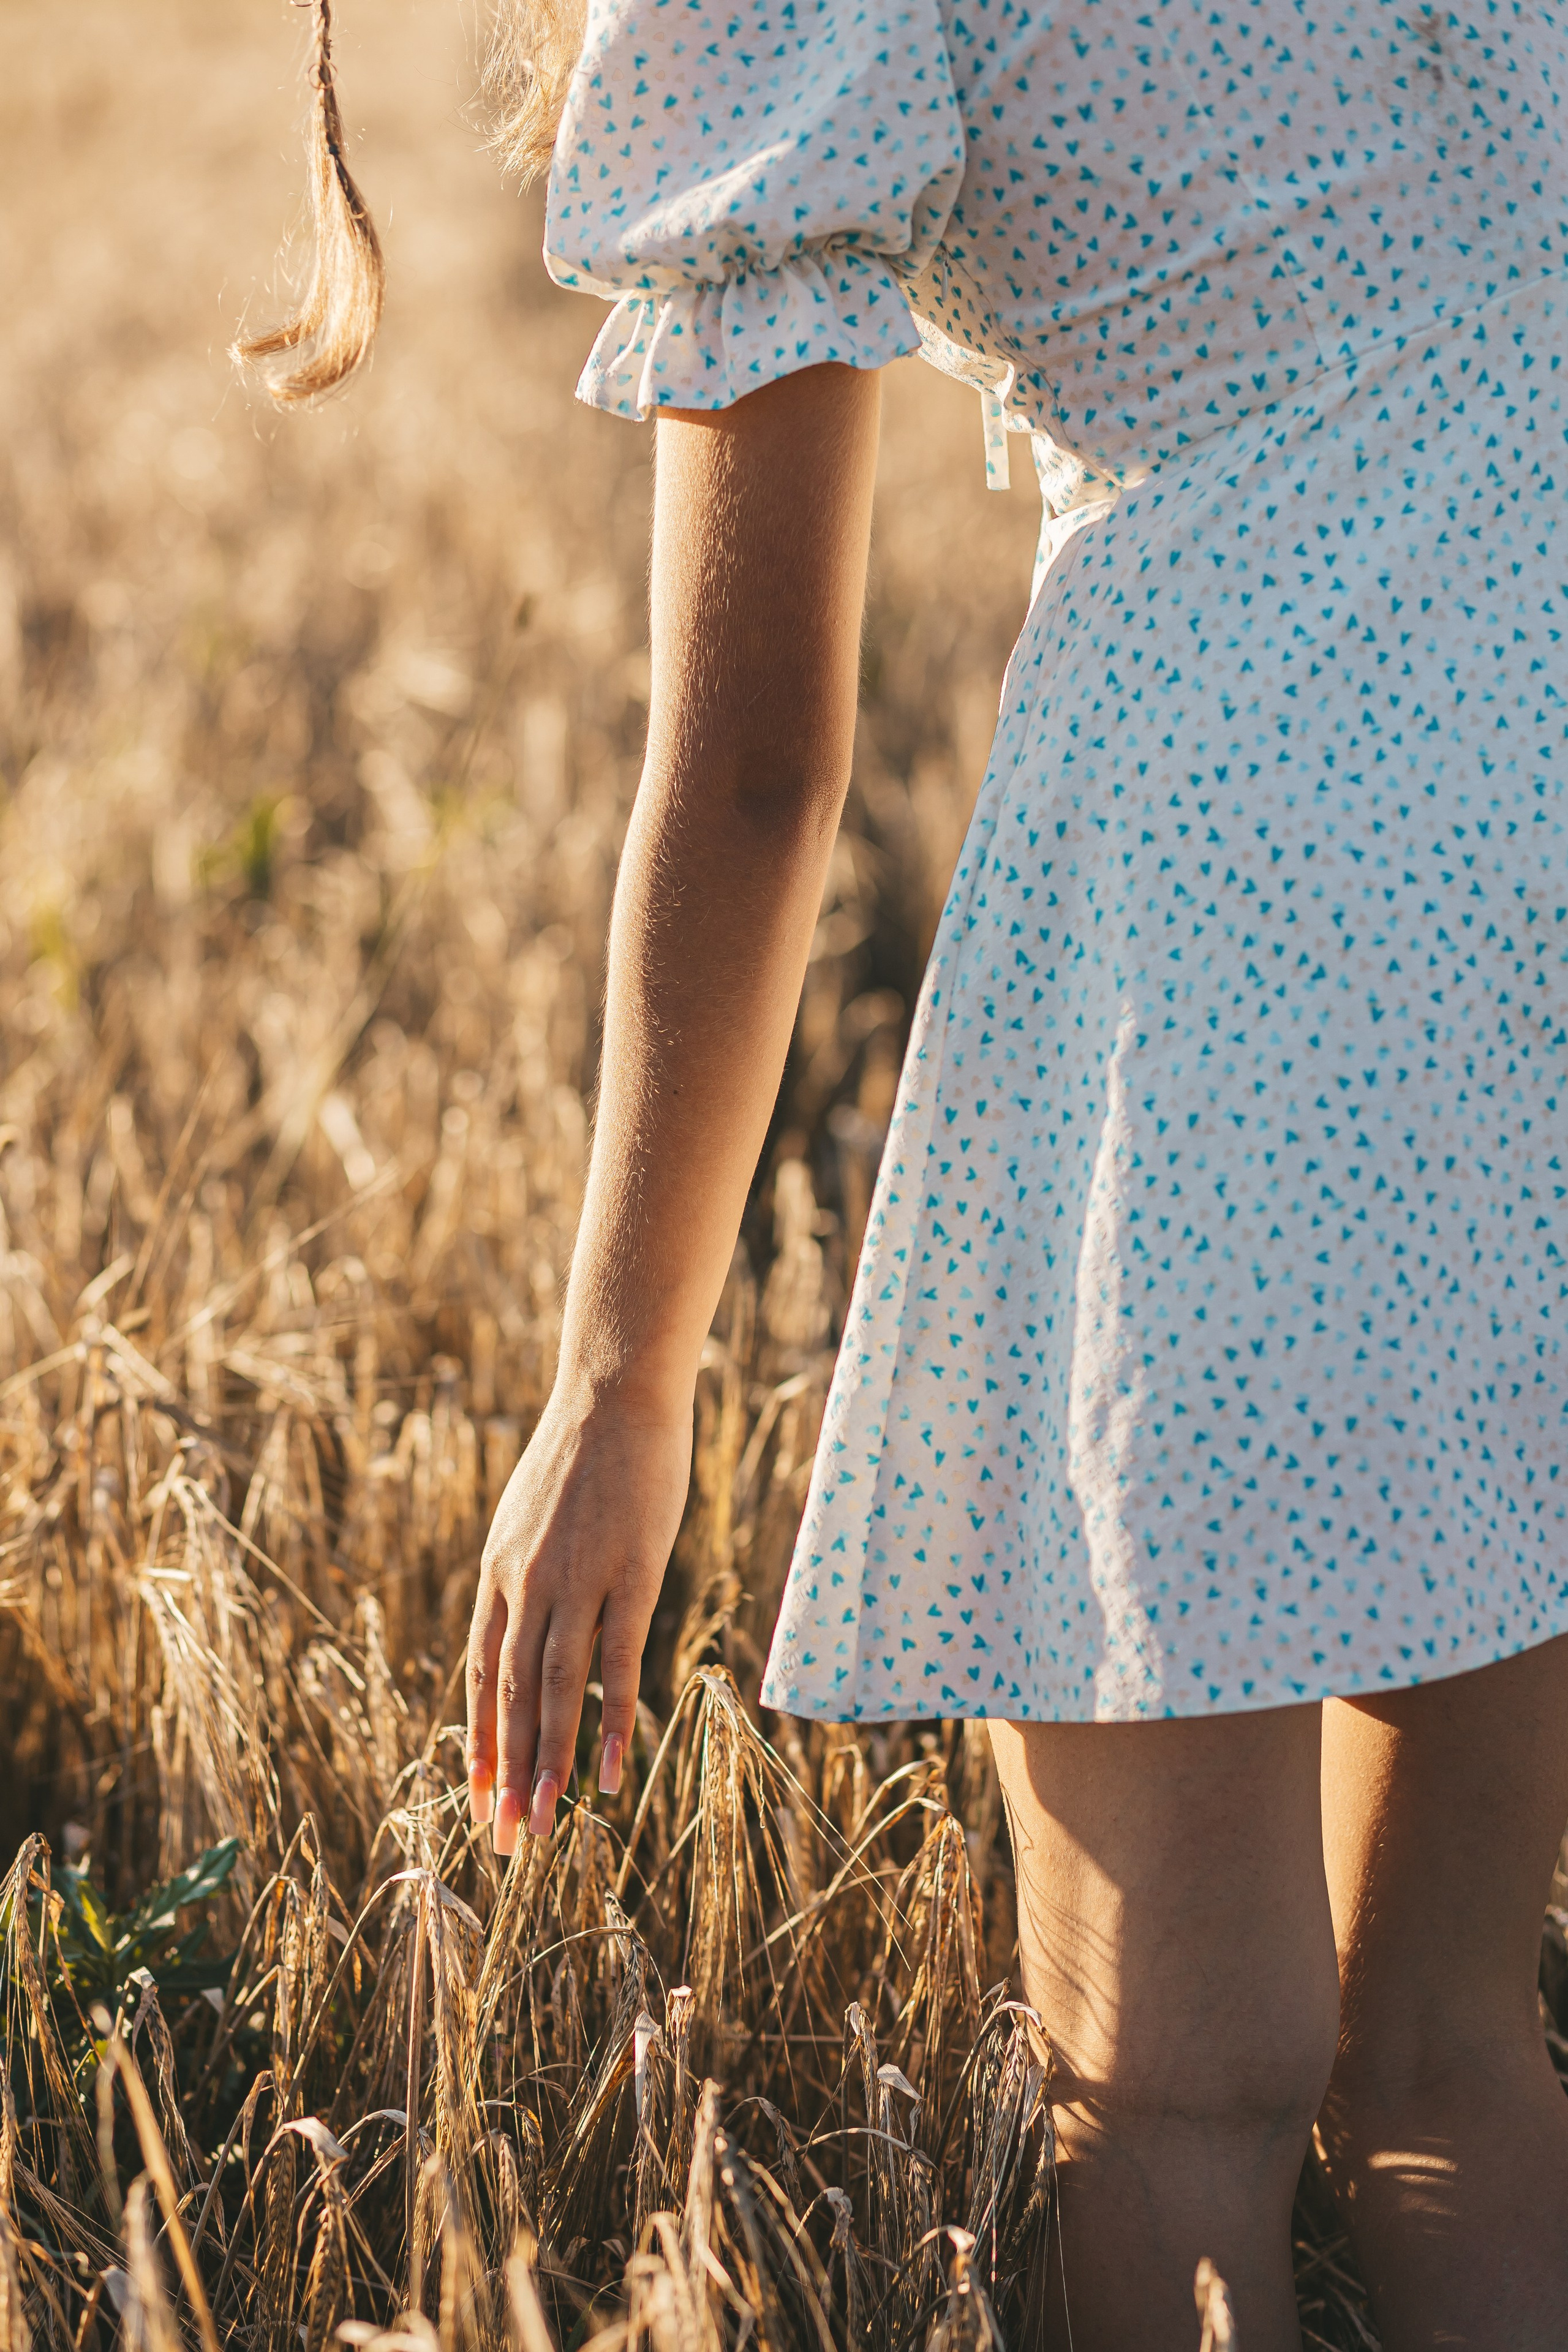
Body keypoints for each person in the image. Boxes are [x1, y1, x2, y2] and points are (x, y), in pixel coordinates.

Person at [415, 0, 1568, 2340]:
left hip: (1228, 921)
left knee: (1174, 2089)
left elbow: (758, 772)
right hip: (1531, 880)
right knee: (1458, 2043)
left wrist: (622, 1376)